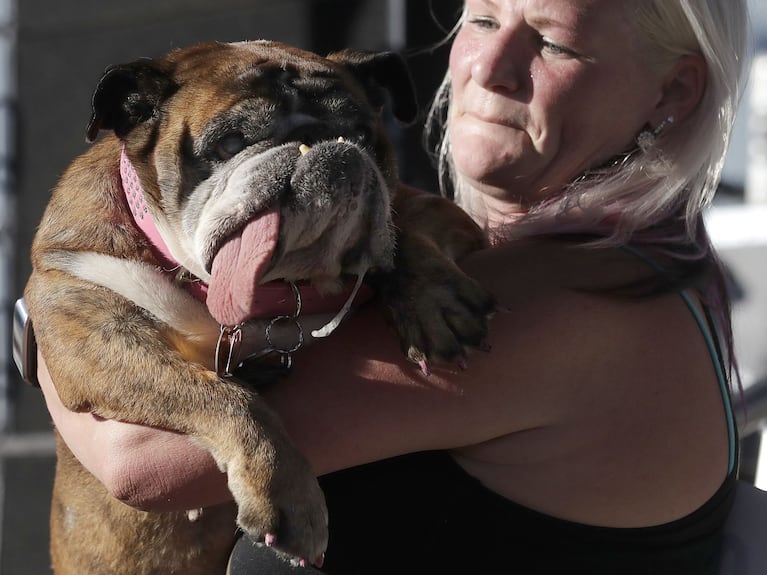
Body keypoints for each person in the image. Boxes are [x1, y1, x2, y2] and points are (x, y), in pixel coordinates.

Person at [35, 0, 750, 573]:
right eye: (481, 20)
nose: (491, 67)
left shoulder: (555, 308)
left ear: (674, 90)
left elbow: (144, 464)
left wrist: (48, 320)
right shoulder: (601, 264)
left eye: (556, 45)